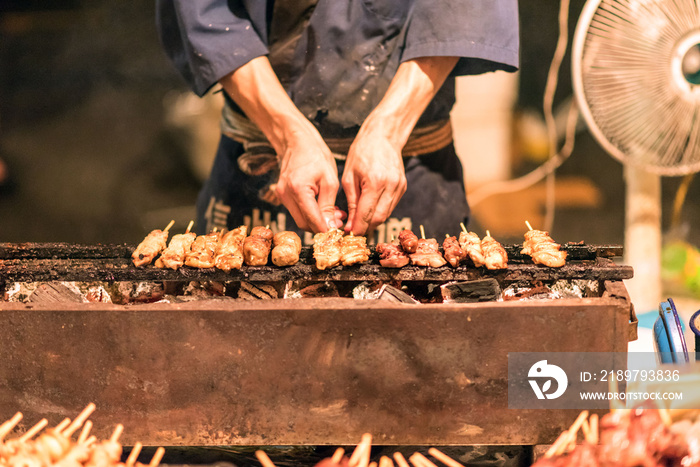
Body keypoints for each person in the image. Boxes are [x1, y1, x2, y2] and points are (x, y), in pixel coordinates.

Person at [156, 1, 519, 244]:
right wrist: (288, 134)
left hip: (412, 171)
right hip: (257, 164)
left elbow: (462, 10)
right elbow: (207, 12)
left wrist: (388, 130)